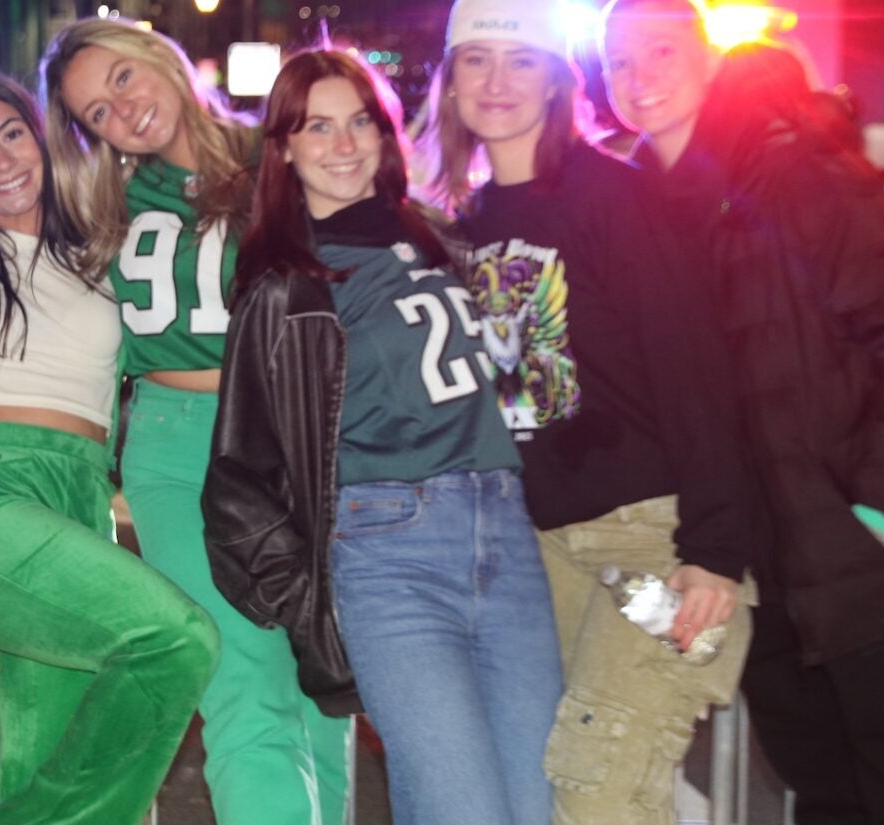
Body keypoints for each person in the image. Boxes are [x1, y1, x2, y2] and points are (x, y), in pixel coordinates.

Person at [600, 2, 884, 822]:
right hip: (765, 575)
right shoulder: (648, 211)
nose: (640, 77)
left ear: (709, 58)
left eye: (661, 50)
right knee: (826, 797)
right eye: (620, 61)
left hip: (875, 561)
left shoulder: (793, 176)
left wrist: (881, 515)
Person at [415, 1, 770, 822]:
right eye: (476, 61)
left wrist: (714, 548)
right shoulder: (471, 222)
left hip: (655, 538)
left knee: (598, 780)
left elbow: (698, 372)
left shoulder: (618, 196)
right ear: (451, 81)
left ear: (557, 82)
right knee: (584, 787)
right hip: (541, 550)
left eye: (522, 62)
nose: (497, 81)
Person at [204, 47, 561, 825]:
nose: (342, 144)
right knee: (464, 810)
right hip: (388, 556)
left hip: (510, 535)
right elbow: (237, 476)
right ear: (285, 149)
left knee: (538, 809)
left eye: (358, 121)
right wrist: (309, 602)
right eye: (317, 127)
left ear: (385, 130)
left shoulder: (451, 239)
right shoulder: (282, 284)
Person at [40, 19, 355, 824]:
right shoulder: (103, 195)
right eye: (95, 114)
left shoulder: (276, 153)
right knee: (243, 682)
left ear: (156, 56)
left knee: (323, 680)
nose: (120, 111)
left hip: (300, 430)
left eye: (119, 80)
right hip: (178, 446)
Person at [0, 70, 218, 825]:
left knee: (49, 754)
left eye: (12, 134)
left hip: (80, 498)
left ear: (42, 136)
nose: (2, 160)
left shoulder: (107, 246)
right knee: (177, 641)